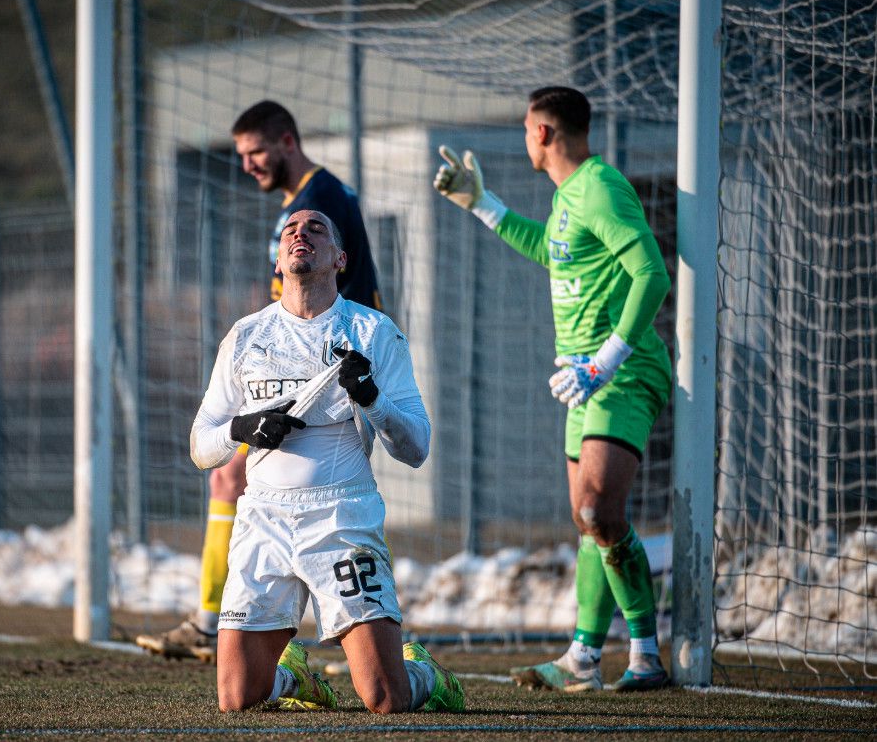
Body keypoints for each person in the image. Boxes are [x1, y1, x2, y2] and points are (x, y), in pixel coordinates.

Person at [434, 86, 672, 692]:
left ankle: (646, 656)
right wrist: (481, 203)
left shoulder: (600, 186)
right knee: (588, 520)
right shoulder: (569, 197)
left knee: (599, 510)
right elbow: (552, 250)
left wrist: (609, 359)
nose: (523, 140)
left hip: (622, 372)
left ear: (542, 133)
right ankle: (584, 659)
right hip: (584, 380)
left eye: (524, 130)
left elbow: (652, 272)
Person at [137, 100, 382, 661]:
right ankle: (236, 624)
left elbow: (348, 302)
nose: (246, 164)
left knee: (250, 486)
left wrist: (345, 373)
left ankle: (221, 623)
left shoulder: (319, 203)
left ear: (287, 142)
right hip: (296, 375)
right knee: (236, 481)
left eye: (255, 152)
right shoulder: (304, 202)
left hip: (322, 380)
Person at [190, 209, 462, 713]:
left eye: (316, 229)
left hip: (341, 516)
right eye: (291, 230)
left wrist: (371, 398)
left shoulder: (373, 332)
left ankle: (427, 676)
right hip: (264, 519)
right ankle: (296, 682)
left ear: (340, 258)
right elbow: (201, 444)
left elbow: (417, 447)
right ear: (278, 261)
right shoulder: (246, 336)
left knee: (384, 698)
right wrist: (241, 428)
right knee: (236, 697)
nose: (301, 234)